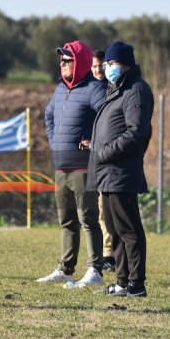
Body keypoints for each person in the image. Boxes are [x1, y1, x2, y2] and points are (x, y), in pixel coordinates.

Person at [86, 41, 154, 298]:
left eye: (112, 63)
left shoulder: (136, 91)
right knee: (114, 230)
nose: (108, 67)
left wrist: (104, 152)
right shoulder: (118, 89)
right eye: (108, 63)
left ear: (125, 64)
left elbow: (136, 132)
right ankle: (122, 281)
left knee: (129, 230)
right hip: (108, 172)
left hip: (121, 172)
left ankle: (136, 284)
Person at [37, 41, 106, 288]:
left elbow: (108, 117)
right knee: (66, 220)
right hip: (61, 165)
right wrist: (55, 142)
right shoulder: (59, 89)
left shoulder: (95, 88)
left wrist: (95, 142)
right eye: (62, 60)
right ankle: (66, 270)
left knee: (88, 218)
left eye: (68, 60)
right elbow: (48, 115)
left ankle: (95, 270)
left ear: (81, 63)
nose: (62, 64)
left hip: (83, 165)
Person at [91, 48, 115, 273]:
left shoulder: (112, 91)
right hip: (91, 158)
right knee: (96, 210)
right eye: (95, 66)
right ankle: (105, 252)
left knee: (105, 208)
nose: (98, 69)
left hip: (108, 157)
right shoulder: (89, 90)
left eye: (101, 65)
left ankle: (109, 253)